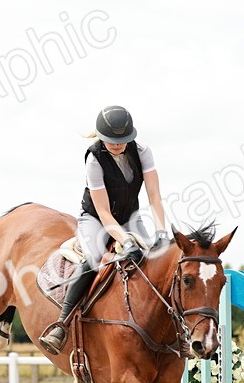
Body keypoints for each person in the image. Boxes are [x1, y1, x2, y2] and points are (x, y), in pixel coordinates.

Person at [39, 105, 169, 356]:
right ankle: (62, 324)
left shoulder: (142, 152)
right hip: (97, 219)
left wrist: (162, 232)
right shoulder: (94, 159)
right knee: (94, 259)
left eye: (122, 141)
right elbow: (105, 214)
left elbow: (154, 196)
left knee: (153, 259)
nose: (118, 146)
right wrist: (126, 241)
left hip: (130, 216)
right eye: (112, 141)